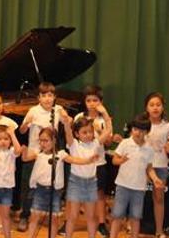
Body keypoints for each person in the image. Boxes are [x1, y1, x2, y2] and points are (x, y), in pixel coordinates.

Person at [17, 82, 65, 231]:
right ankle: (24, 215)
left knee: (50, 185)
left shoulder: (58, 110)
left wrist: (66, 117)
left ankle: (49, 214)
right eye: (44, 95)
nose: (47, 99)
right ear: (39, 97)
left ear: (54, 97)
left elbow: (67, 124)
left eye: (50, 95)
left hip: (51, 154)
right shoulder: (33, 110)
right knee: (29, 187)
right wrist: (27, 123)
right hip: (34, 153)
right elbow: (22, 131)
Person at [109, 115, 165, 238]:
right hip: (123, 185)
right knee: (117, 214)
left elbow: (149, 168)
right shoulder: (125, 143)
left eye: (141, 130)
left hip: (139, 188)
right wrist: (121, 160)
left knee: (136, 216)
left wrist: (155, 179)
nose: (137, 133)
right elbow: (114, 160)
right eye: (135, 129)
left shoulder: (149, 149)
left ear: (147, 132)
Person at [72, 85, 115, 236]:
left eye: (95, 100)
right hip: (81, 163)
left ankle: (102, 223)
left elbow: (108, 142)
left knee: (99, 194)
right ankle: (70, 222)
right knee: (77, 193)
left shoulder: (104, 119)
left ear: (101, 102)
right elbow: (74, 139)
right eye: (88, 100)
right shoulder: (79, 118)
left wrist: (99, 131)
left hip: (99, 163)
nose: (91, 103)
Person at [144, 92, 169, 238]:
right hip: (142, 165)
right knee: (137, 196)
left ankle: (159, 230)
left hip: (160, 165)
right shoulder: (142, 123)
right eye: (152, 105)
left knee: (159, 198)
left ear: (162, 107)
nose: (155, 108)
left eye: (158, 105)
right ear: (146, 108)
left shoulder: (167, 126)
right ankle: (132, 224)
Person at [63, 116, 106, 238]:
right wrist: (66, 124)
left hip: (91, 182)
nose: (88, 135)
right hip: (76, 182)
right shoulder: (74, 145)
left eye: (90, 132)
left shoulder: (95, 143)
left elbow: (107, 132)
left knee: (91, 216)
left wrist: (105, 116)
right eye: (84, 132)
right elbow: (68, 134)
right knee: (72, 215)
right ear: (77, 134)